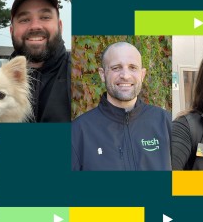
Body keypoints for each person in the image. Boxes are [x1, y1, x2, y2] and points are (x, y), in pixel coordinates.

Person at [71, 42, 172, 171]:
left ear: (142, 75)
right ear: (102, 74)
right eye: (116, 68)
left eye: (133, 67)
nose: (125, 75)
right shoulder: (78, 132)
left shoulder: (165, 123)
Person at [10, 0, 70, 122]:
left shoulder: (83, 77)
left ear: (60, 27)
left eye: (45, 17)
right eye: (24, 19)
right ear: (11, 30)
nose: (35, 26)